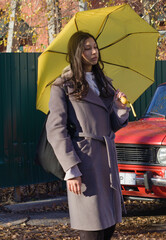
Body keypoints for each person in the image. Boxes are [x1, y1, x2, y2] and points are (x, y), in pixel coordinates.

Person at [46, 31, 129, 240]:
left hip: (107, 160)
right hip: (84, 161)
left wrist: (119, 108)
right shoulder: (63, 86)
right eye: (87, 48)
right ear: (77, 53)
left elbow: (113, 124)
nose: (94, 52)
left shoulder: (104, 84)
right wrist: (71, 169)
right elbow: (56, 129)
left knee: (109, 227)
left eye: (95, 47)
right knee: (92, 229)